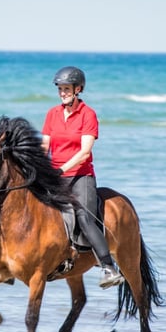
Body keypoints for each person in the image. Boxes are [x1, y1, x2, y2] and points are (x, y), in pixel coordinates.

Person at [41, 66, 125, 289]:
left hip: (80, 176)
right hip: (55, 175)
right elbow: (44, 145)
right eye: (60, 89)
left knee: (85, 216)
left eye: (67, 89)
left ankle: (108, 267)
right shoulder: (52, 114)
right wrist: (37, 166)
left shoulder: (88, 114)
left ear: (78, 89)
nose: (62, 93)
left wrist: (61, 170)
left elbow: (85, 152)